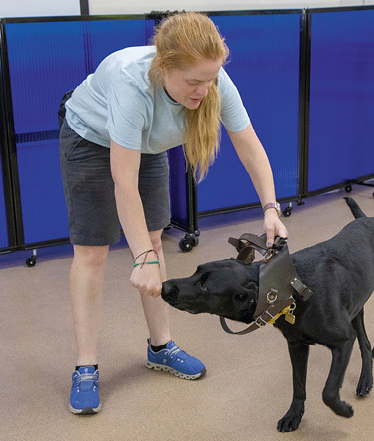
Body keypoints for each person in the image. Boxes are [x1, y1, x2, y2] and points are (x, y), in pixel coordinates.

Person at [59, 11, 288, 415]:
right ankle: (85, 366)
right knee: (92, 252)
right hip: (91, 137)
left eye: (210, 79)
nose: (204, 90)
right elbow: (123, 182)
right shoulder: (133, 85)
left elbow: (249, 145)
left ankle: (161, 346)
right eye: (194, 82)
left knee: (152, 237)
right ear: (164, 66)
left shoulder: (212, 80)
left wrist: (270, 208)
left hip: (146, 144)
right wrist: (142, 262)